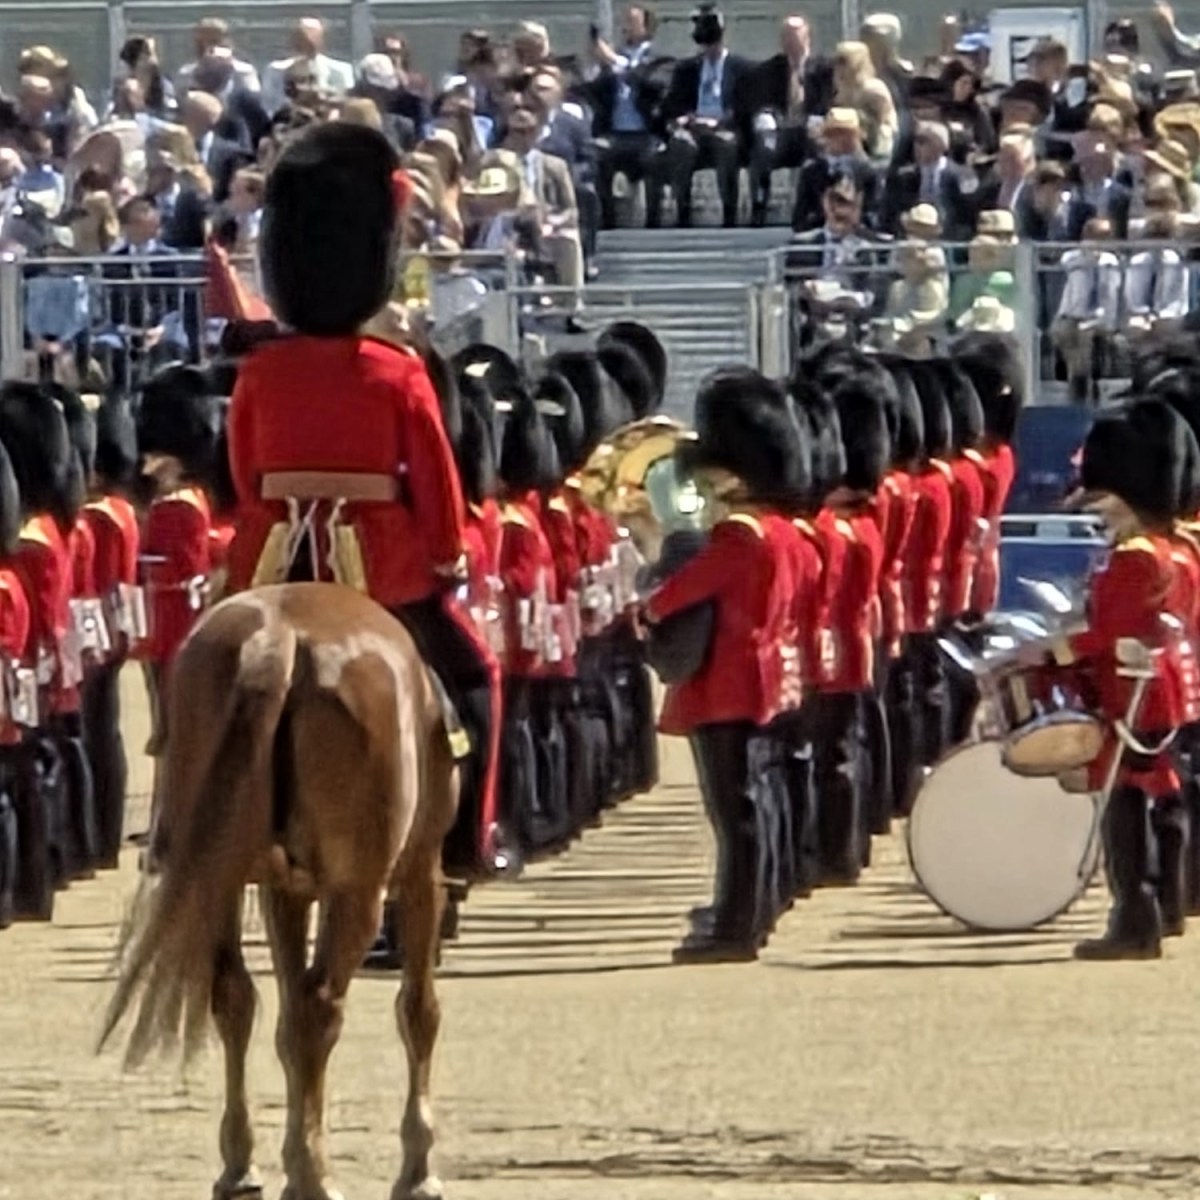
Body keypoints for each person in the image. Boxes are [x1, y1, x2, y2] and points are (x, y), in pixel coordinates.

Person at [224, 122, 502, 879]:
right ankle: (468, 838)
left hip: (274, 563)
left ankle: (182, 826)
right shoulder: (398, 372)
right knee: (476, 678)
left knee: (201, 680)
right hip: (382, 567)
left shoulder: (259, 375)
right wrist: (447, 555)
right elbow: (437, 486)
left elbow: (246, 482)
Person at [645, 367, 804, 963]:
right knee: (754, 803)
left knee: (733, 810)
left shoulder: (738, 534)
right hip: (764, 676)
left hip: (729, 682)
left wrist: (648, 606)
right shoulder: (781, 530)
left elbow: (676, 595)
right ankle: (749, 912)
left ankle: (735, 925)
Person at [1041, 401, 1197, 959]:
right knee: (1166, 792)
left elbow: (1105, 632)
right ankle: (1170, 904)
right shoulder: (1179, 550)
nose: (1098, 509)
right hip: (1168, 687)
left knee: (1126, 802)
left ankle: (1136, 918)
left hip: (1134, 693)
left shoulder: (1136, 557)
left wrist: (1050, 650)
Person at [646, 4, 751, 229]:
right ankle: (682, 211)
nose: (709, 48)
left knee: (726, 144)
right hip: (694, 128)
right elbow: (672, 105)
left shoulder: (741, 68)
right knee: (681, 143)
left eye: (713, 42)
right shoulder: (687, 69)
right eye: (705, 43)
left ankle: (729, 215)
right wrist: (684, 119)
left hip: (724, 128)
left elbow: (746, 107)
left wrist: (719, 122)